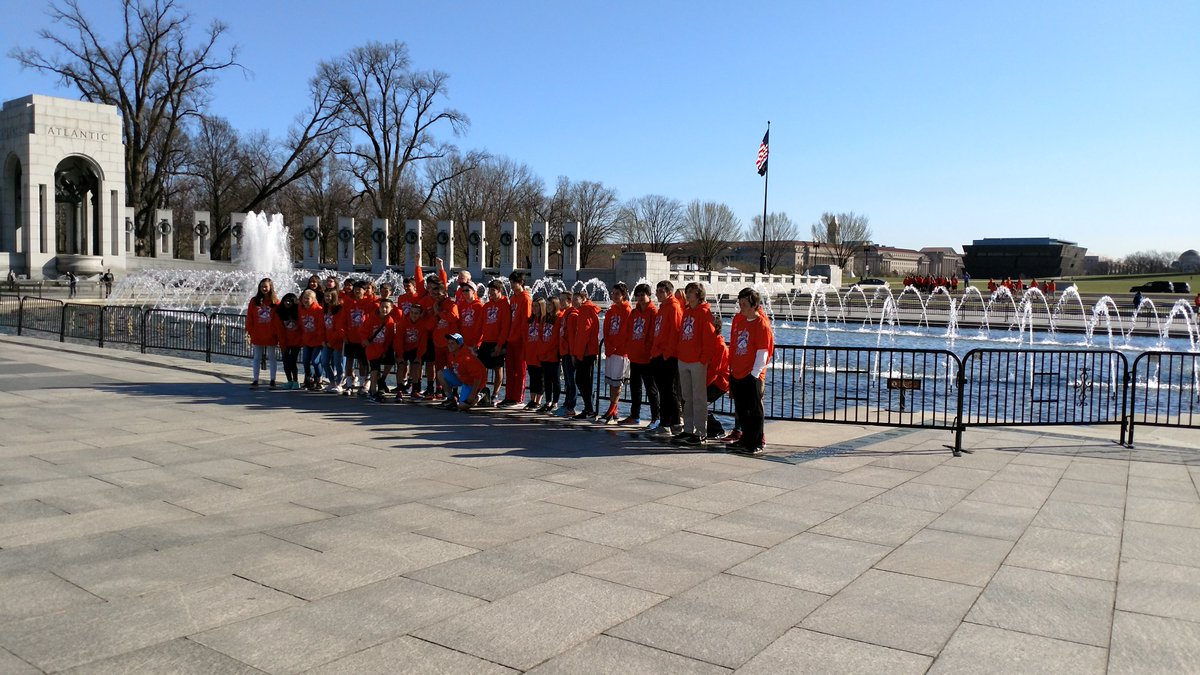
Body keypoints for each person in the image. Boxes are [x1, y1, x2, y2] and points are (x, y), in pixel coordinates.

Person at [728, 287, 774, 455]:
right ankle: (745, 439)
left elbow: (763, 352)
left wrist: (754, 374)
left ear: (754, 305)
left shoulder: (761, 323)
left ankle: (756, 442)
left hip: (752, 375)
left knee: (754, 411)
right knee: (741, 410)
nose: (742, 306)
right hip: (737, 372)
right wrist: (732, 369)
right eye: (740, 303)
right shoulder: (740, 321)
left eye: (745, 303)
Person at [671, 282, 717, 445]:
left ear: (698, 294)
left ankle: (700, 431)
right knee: (686, 397)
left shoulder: (705, 312)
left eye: (690, 292)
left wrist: (703, 358)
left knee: (698, 397)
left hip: (697, 361)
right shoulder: (688, 311)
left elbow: (709, 338)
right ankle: (688, 429)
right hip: (684, 359)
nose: (687, 294)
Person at [621, 283, 660, 428]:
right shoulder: (634, 312)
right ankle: (634, 415)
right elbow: (629, 331)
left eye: (642, 295)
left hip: (647, 357)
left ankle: (656, 417)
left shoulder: (653, 312)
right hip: (635, 356)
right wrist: (629, 349)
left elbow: (652, 335)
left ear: (648, 296)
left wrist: (649, 351)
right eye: (638, 295)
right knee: (635, 388)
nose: (640, 298)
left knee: (651, 389)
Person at [648, 280, 683, 438]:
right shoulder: (663, 308)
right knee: (664, 391)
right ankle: (665, 422)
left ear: (669, 292)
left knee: (669, 391)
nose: (657, 294)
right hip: (658, 355)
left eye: (661, 291)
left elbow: (675, 331)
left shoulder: (674, 307)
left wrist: (667, 353)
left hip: (667, 356)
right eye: (657, 290)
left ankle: (674, 422)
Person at [600, 282, 632, 423]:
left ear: (623, 295)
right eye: (613, 293)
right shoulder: (611, 311)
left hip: (621, 352)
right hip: (610, 351)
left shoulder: (627, 310)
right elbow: (606, 330)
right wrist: (608, 345)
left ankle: (611, 409)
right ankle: (614, 410)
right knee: (612, 382)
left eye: (617, 293)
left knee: (617, 383)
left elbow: (625, 332)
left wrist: (615, 346)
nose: (614, 296)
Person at [499, 272, 531, 407]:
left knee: (520, 369)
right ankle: (509, 396)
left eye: (514, 282)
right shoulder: (513, 298)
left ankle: (518, 397)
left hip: (520, 339)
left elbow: (526, 320)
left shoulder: (525, 298)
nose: (511, 285)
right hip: (511, 338)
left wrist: (524, 339)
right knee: (510, 369)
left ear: (521, 282)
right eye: (511, 282)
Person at [569, 290, 601, 419]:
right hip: (588, 351)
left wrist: (578, 355)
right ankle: (589, 409)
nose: (573, 301)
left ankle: (589, 409)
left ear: (583, 299)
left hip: (586, 352)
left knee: (582, 380)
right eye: (573, 299)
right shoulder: (586, 310)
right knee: (584, 381)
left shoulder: (585, 310)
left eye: (576, 299)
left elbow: (584, 334)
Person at [479, 279, 511, 401]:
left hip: (498, 342)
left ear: (499, 291)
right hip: (486, 341)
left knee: (498, 368)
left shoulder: (505, 305)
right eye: (489, 290)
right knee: (481, 367)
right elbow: (480, 324)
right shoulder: (487, 306)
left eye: (493, 290)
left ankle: (495, 394)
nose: (490, 293)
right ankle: (482, 390)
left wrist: (500, 344)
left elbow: (505, 327)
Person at [245, 278, 280, 388]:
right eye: (262, 287)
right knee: (256, 357)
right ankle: (255, 380)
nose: (264, 288)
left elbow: (278, 320)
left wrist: (278, 334)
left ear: (270, 288)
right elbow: (250, 318)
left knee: (272, 357)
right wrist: (249, 332)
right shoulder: (254, 301)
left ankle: (273, 380)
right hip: (258, 333)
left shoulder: (276, 302)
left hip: (271, 334)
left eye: (266, 286)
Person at [361, 297, 397, 403]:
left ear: (391, 309)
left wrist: (385, 350)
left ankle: (381, 380)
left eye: (387, 307)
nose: (384, 309)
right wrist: (365, 340)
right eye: (382, 307)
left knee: (390, 363)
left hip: (383, 347)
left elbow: (389, 337)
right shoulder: (371, 318)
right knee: (374, 369)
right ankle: (372, 391)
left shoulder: (390, 321)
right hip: (372, 347)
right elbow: (363, 330)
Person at [440, 332, 488, 410]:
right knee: (441, 373)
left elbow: (478, 377)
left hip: (474, 382)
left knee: (462, 406)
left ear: (459, 345)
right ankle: (451, 399)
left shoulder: (467, 357)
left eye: (452, 343)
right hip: (463, 378)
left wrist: (472, 394)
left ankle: (482, 393)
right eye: (449, 343)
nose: (449, 345)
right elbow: (452, 369)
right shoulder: (451, 355)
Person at [705, 312, 731, 439]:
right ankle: (712, 429)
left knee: (700, 401)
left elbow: (715, 370)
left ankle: (716, 430)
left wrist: (702, 384)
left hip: (720, 383)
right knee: (698, 402)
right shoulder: (711, 343)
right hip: (714, 381)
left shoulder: (719, 345)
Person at [394, 303, 427, 399]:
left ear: (420, 314)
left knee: (416, 367)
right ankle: (400, 389)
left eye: (416, 313)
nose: (414, 315)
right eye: (412, 312)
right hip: (403, 347)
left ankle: (415, 390)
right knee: (401, 366)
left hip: (415, 348)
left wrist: (419, 356)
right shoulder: (402, 323)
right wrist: (399, 355)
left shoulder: (423, 325)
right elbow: (398, 340)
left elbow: (423, 342)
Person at [556, 290, 579, 416]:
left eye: (563, 300)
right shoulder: (566, 314)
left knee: (571, 380)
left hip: (569, 352)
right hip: (565, 351)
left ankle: (571, 406)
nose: (560, 302)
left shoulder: (572, 315)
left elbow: (571, 336)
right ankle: (566, 403)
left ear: (569, 301)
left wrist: (572, 354)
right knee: (568, 381)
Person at [274, 293, 303, 390]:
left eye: (290, 301)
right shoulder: (280, 313)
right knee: (285, 362)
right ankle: (289, 380)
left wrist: (301, 340)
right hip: (285, 342)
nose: (287, 303)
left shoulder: (298, 313)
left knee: (293, 361)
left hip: (296, 341)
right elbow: (280, 330)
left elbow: (301, 328)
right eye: (285, 300)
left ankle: (295, 381)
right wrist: (282, 343)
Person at [539, 296, 562, 413]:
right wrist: (542, 349)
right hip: (544, 353)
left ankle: (555, 402)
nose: (547, 307)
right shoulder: (544, 319)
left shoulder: (559, 318)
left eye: (550, 305)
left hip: (553, 354)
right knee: (546, 379)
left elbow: (555, 338)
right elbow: (540, 334)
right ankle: (547, 401)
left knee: (555, 379)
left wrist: (547, 348)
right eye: (547, 305)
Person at [299, 289, 325, 390]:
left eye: (308, 298)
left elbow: (320, 326)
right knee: (305, 361)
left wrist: (320, 338)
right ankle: (308, 378)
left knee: (315, 361)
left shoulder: (318, 310)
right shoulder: (301, 309)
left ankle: (319, 379)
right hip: (306, 340)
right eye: (304, 298)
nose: (305, 300)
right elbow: (301, 325)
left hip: (317, 341)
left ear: (313, 299)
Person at [523, 298, 546, 410]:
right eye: (533, 306)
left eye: (537, 306)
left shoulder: (544, 320)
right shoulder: (530, 320)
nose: (534, 308)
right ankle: (532, 399)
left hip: (540, 353)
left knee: (540, 377)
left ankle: (538, 400)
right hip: (530, 352)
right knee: (532, 376)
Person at [321, 289, 346, 393]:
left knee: (338, 363)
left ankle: (339, 383)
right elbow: (322, 326)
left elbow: (340, 328)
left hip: (337, 341)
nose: (327, 298)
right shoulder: (325, 309)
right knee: (325, 362)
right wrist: (323, 340)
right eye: (326, 296)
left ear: (334, 297)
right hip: (327, 341)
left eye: (329, 296)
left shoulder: (339, 309)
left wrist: (333, 340)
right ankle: (332, 382)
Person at [456, 283, 486, 349]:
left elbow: (481, 325)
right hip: (463, 342)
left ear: (474, 291)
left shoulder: (479, 306)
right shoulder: (460, 305)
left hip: (475, 343)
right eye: (463, 291)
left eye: (467, 290)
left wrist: (478, 342)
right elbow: (458, 323)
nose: (464, 292)